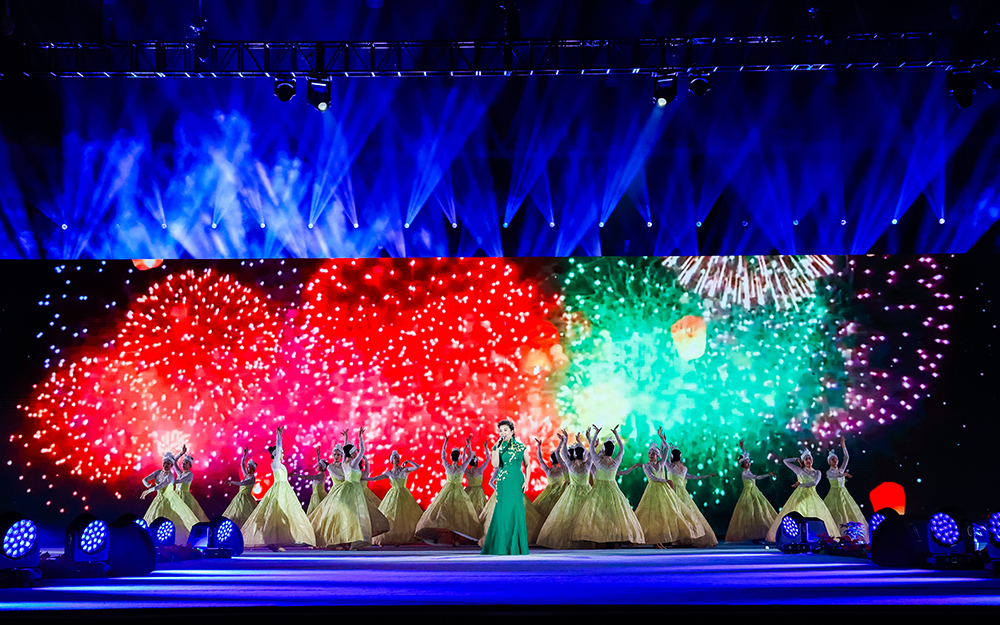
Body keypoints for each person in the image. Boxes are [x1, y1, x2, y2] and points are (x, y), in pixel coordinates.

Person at [311, 427, 390, 549]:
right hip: (351, 490)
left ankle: (351, 540)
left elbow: (345, 451)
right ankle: (350, 540)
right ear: (352, 453)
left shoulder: (344, 463)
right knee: (352, 515)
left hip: (348, 488)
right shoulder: (352, 463)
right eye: (354, 452)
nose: (356, 454)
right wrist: (360, 437)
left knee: (351, 515)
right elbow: (362, 450)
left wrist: (346, 439)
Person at [241, 426, 317, 550]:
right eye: (280, 452)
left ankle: (278, 542)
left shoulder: (281, 464)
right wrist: (279, 436)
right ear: (275, 454)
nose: (282, 453)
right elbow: (278, 447)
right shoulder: (275, 463)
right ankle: (275, 542)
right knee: (277, 515)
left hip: (285, 489)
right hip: (279, 489)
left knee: (287, 515)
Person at [570, 425, 644, 546]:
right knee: (614, 514)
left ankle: (602, 538)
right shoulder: (616, 461)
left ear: (603, 451)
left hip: (599, 489)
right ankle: (613, 538)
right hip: (613, 489)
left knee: (598, 514)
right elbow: (622, 449)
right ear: (613, 451)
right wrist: (616, 434)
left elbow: (591, 449)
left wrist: (595, 434)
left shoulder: (598, 461)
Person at [415, 434, 483, 545]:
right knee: (456, 516)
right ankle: (455, 539)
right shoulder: (461, 467)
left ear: (451, 457)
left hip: (448, 492)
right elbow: (469, 457)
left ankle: (454, 539)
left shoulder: (449, 466)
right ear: (459, 458)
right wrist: (469, 444)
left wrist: (445, 442)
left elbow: (443, 456)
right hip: (457, 493)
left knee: (447, 515)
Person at [633, 428, 693, 548]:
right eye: (649, 453)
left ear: (657, 455)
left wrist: (661, 438)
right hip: (653, 491)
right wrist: (666, 480)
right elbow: (652, 478)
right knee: (653, 515)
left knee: (663, 515)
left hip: (663, 490)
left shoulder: (661, 463)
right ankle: (653, 541)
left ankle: (660, 540)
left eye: (653, 453)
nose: (651, 455)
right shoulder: (646, 466)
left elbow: (667, 449)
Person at [765, 448, 841, 542]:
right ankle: (797, 537)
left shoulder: (817, 472)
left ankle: (814, 537)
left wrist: (801, 485)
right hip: (799, 496)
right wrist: (796, 459)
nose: (808, 461)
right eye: (806, 459)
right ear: (803, 461)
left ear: (812, 460)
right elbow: (785, 461)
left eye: (810, 459)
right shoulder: (799, 471)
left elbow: (814, 483)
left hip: (812, 496)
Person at [536, 430, 595, 549]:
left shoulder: (569, 465)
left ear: (573, 455)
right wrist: (589, 440)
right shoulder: (587, 465)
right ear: (583, 455)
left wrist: (564, 441)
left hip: (572, 492)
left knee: (569, 515)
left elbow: (560, 454)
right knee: (587, 515)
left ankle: (571, 537)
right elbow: (591, 453)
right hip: (586, 491)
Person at [481, 419, 531, 555]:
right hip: (503, 482)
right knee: (503, 511)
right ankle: (501, 546)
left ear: (512, 431)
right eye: (500, 430)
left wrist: (527, 480)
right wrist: (497, 448)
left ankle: (516, 546)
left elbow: (527, 465)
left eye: (505, 430)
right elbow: (495, 465)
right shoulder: (497, 447)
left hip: (517, 481)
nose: (502, 433)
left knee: (516, 510)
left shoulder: (521, 447)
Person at [665, 441, 718, 547]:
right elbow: (693, 477)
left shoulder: (670, 466)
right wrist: (706, 476)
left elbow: (662, 456)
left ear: (672, 457)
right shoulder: (684, 468)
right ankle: (680, 537)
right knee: (684, 514)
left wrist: (665, 444)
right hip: (682, 492)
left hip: (672, 491)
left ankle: (676, 538)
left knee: (674, 514)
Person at [366, 450, 424, 545]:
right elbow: (376, 478)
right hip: (393, 495)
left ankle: (402, 537)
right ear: (391, 460)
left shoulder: (404, 470)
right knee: (391, 515)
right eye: (395, 457)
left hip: (404, 494)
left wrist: (408, 461)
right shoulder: (389, 473)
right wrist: (365, 479)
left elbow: (417, 467)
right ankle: (388, 537)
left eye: (398, 457)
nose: (397, 459)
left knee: (405, 515)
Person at [141, 451, 200, 543]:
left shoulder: (174, 476)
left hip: (173, 498)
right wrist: (147, 485)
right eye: (165, 462)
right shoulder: (160, 472)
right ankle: (152, 539)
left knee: (176, 518)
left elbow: (161, 485)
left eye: (168, 464)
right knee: (155, 517)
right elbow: (145, 479)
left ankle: (174, 540)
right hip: (160, 498)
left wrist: (148, 491)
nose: (166, 465)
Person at [724, 439, 777, 543]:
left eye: (748, 462)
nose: (748, 463)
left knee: (759, 513)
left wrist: (742, 448)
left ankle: (759, 535)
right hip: (749, 495)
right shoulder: (745, 473)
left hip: (754, 492)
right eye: (745, 463)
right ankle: (755, 536)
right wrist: (768, 474)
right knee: (753, 514)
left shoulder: (748, 471)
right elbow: (757, 477)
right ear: (742, 465)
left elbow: (744, 455)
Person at [824, 436, 867, 542]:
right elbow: (835, 476)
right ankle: (836, 536)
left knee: (849, 512)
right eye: (832, 459)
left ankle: (852, 536)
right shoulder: (829, 472)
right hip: (834, 494)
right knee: (836, 514)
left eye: (835, 458)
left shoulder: (841, 470)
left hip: (844, 493)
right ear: (829, 462)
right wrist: (844, 474)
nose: (835, 460)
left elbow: (846, 458)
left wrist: (843, 446)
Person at [532, 437, 567, 523]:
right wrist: (562, 442)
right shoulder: (562, 470)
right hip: (561, 493)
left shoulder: (548, 471)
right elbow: (565, 456)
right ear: (558, 460)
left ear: (550, 460)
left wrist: (539, 446)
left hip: (548, 494)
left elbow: (540, 459)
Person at [222, 447, 258, 527]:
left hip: (246, 498)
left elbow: (242, 483)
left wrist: (231, 482)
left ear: (253, 470)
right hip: (239, 497)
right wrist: (244, 455)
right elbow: (242, 464)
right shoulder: (246, 476)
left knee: (244, 514)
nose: (248, 469)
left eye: (250, 468)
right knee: (236, 513)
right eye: (247, 467)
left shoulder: (252, 478)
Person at [173, 448, 210, 523]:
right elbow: (174, 462)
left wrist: (169, 481)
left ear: (190, 465)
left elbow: (180, 481)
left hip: (185, 497)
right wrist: (181, 453)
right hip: (176, 495)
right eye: (183, 462)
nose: (183, 464)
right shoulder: (180, 473)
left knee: (185, 515)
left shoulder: (190, 474)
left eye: (186, 462)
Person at [290, 447, 329, 516]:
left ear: (322, 468)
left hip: (319, 497)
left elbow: (306, 477)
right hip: (315, 496)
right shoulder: (320, 474)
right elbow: (320, 463)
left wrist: (295, 475)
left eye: (318, 465)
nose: (317, 466)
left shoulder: (320, 476)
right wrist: (318, 455)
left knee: (318, 514)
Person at [464, 443, 490, 515]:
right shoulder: (479, 470)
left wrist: (466, 448)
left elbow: (463, 462)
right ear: (476, 462)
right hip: (478, 493)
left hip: (468, 491)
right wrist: (486, 447)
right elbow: (488, 459)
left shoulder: (466, 471)